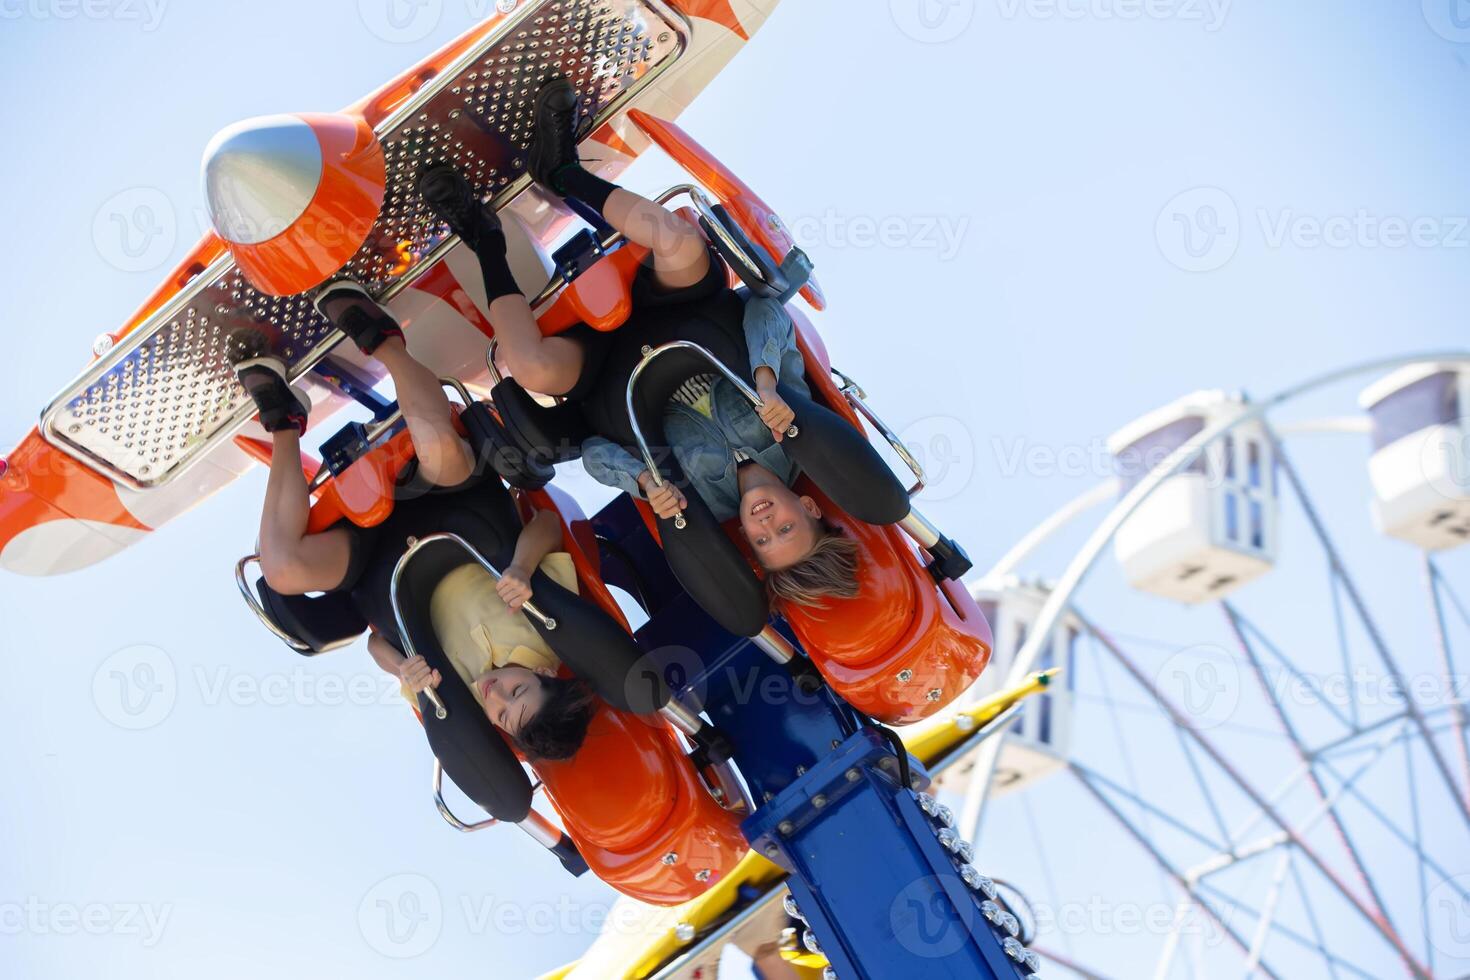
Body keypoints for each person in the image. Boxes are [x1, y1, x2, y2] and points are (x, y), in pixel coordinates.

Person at [415, 77, 861, 607]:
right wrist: (765, 382)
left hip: (610, 368)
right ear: (809, 509)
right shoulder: (797, 435)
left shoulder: (692, 502)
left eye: (762, 541)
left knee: (529, 368)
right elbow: (766, 311)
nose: (765, 523)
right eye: (785, 529)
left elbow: (598, 455)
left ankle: (482, 236)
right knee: (677, 239)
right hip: (680, 312)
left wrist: (644, 482)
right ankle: (562, 172)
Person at [229, 285, 594, 760]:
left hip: (381, 559)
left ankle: (282, 420)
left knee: (282, 570)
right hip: (454, 504)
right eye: (516, 692)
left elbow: (376, 643)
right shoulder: (553, 629)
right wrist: (522, 570)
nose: (497, 695)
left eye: (502, 714)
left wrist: (403, 668)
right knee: (442, 451)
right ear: (543, 676)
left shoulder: (453, 698)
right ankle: (381, 339)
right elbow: (546, 524)